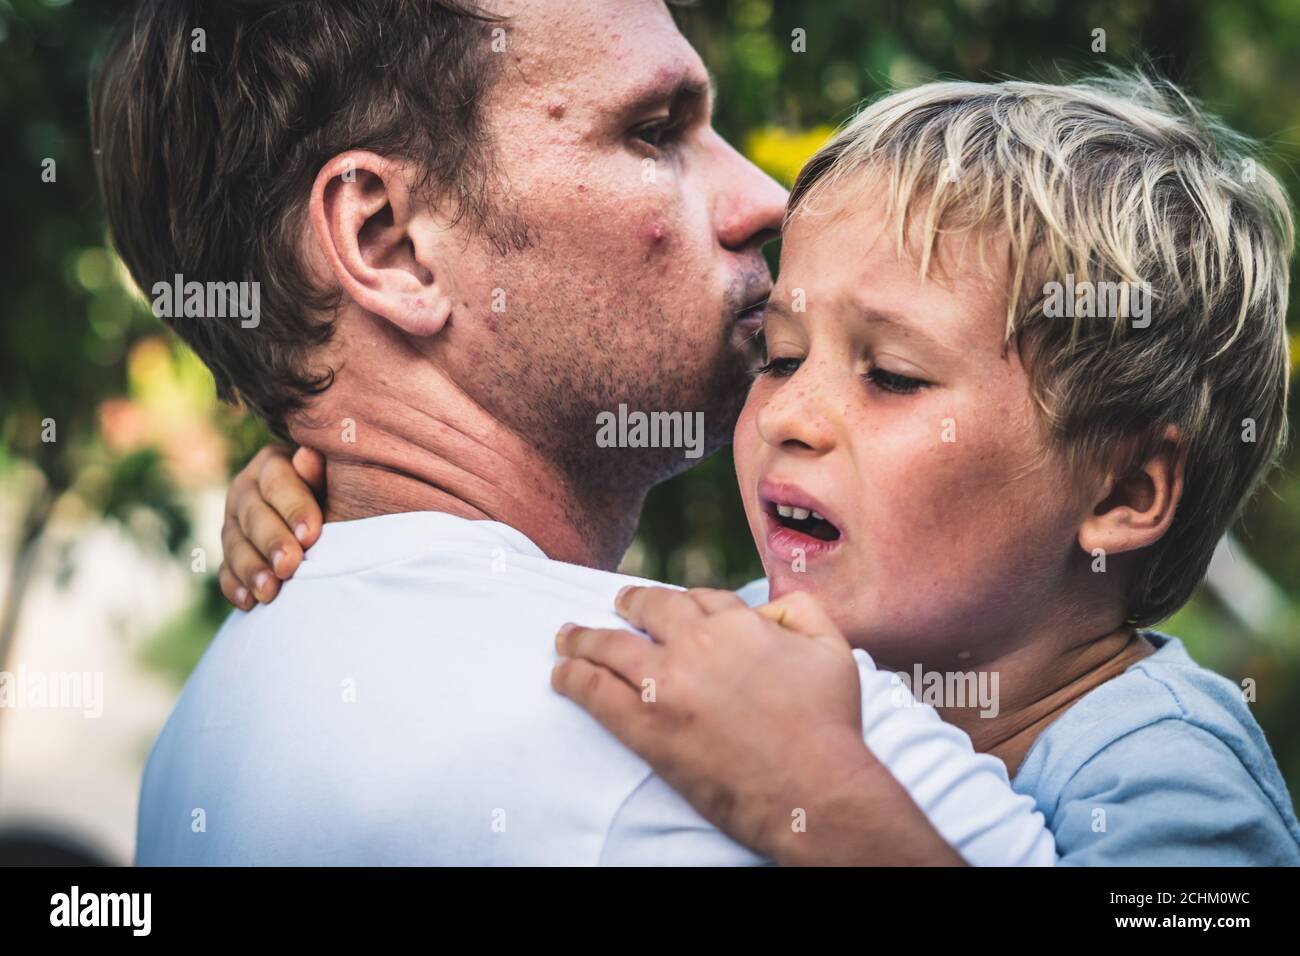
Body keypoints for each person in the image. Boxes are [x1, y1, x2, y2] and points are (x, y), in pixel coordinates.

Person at [232, 75, 1300, 865]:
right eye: (779, 354)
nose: (790, 412)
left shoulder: (1165, 760)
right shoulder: (761, 625)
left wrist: (823, 798)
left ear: (1119, 492)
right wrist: (324, 494)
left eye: (889, 375)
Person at [97, 1, 1052, 864]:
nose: (765, 197)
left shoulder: (203, 735)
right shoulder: (751, 741)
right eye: (652, 132)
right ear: (389, 241)